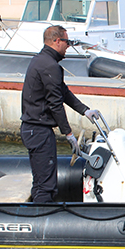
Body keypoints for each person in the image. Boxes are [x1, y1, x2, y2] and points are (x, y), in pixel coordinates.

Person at [21, 25, 101, 203]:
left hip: (33, 129)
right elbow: (55, 103)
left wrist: (84, 110)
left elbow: (62, 92)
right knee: (46, 185)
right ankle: (42, 221)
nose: (68, 46)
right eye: (67, 42)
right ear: (57, 41)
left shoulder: (41, 61)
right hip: (38, 130)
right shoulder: (49, 66)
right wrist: (69, 133)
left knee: (41, 181)